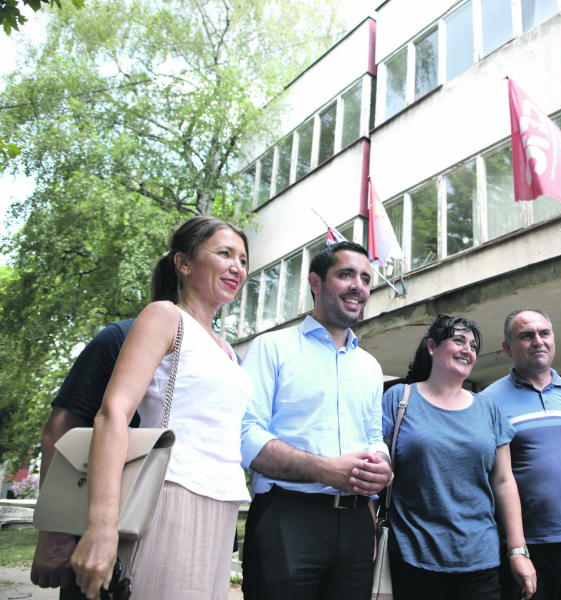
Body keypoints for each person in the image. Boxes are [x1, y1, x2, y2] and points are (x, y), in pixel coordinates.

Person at [70, 216, 252, 600]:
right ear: (183, 263)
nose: (237, 267)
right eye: (224, 253)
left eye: (243, 259)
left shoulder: (227, 351)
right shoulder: (166, 316)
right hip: (171, 493)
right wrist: (101, 526)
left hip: (223, 503)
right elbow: (112, 413)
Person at [240, 240, 391, 600]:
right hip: (286, 518)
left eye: (365, 279)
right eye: (346, 274)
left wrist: (381, 464)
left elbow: (373, 436)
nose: (358, 286)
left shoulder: (370, 366)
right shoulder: (271, 348)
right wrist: (324, 470)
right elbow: (245, 435)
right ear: (315, 282)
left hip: (356, 525)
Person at [382, 314, 537, 600]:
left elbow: (504, 481)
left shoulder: (489, 409)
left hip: (480, 557)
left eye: (473, 346)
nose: (468, 350)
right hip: (413, 556)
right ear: (432, 346)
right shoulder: (399, 399)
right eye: (458, 341)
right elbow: (376, 475)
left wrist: (518, 551)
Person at [484, 309, 561, 600]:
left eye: (544, 333)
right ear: (507, 348)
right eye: (526, 335)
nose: (538, 341)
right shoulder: (488, 401)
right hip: (525, 546)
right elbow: (488, 474)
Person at [31, 319, 137, 600]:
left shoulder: (223, 356)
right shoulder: (122, 337)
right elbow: (60, 429)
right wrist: (55, 532)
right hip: (100, 537)